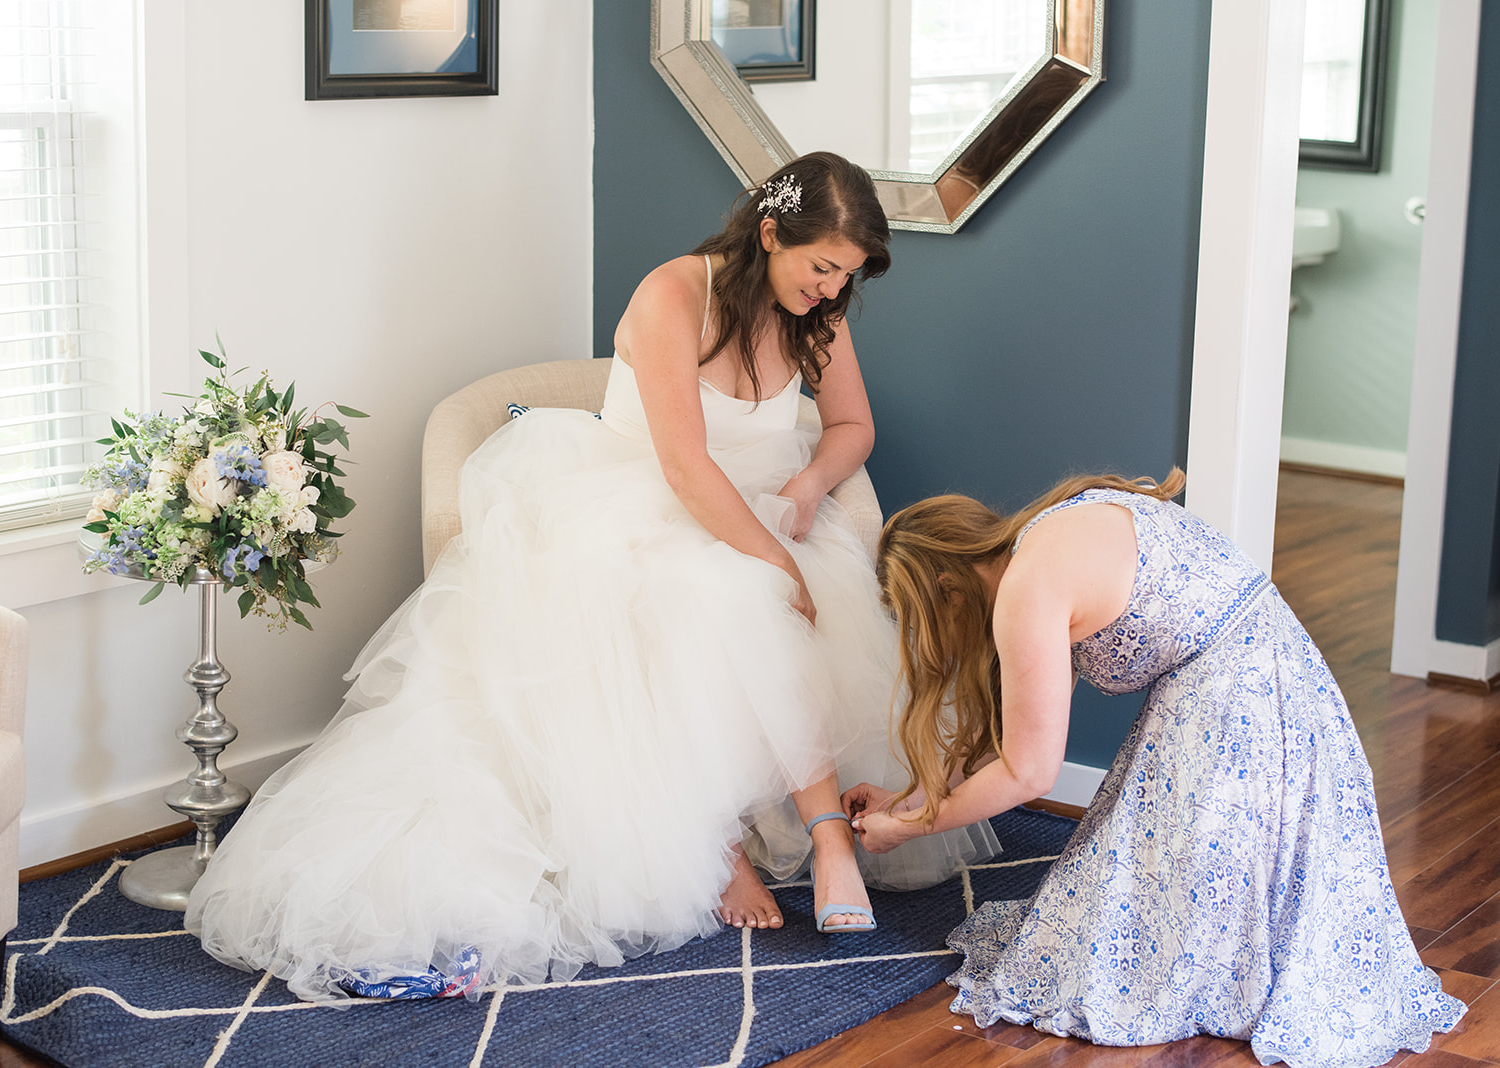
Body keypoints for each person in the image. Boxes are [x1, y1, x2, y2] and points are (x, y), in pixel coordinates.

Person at [184, 151, 998, 1002]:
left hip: (760, 509)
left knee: (788, 600)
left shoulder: (815, 317)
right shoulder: (674, 295)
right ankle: (788, 842)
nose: (833, 290)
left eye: (849, 275)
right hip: (644, 506)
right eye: (823, 267)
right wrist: (773, 560)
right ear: (769, 234)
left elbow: (852, 425)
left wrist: (806, 484)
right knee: (732, 597)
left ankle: (804, 832)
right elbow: (684, 468)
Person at [845, 470, 1467, 1067]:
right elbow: (1013, 736)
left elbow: (1029, 772)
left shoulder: (1026, 593)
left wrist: (911, 829)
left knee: (1123, 953)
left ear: (945, 592)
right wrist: (913, 797)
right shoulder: (1049, 531)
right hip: (1280, 669)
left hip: (1237, 701)